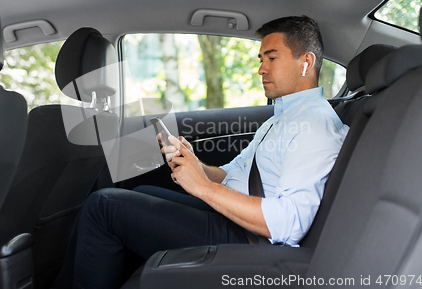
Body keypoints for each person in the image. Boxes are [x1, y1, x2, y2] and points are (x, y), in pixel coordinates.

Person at [73, 15, 349, 289]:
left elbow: (289, 224)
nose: (261, 69)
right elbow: (231, 173)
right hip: (233, 218)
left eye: (272, 58)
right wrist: (196, 164)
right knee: (143, 192)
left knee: (103, 206)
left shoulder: (314, 125)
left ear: (307, 62)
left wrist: (203, 187)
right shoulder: (281, 118)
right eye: (260, 59)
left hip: (250, 241)